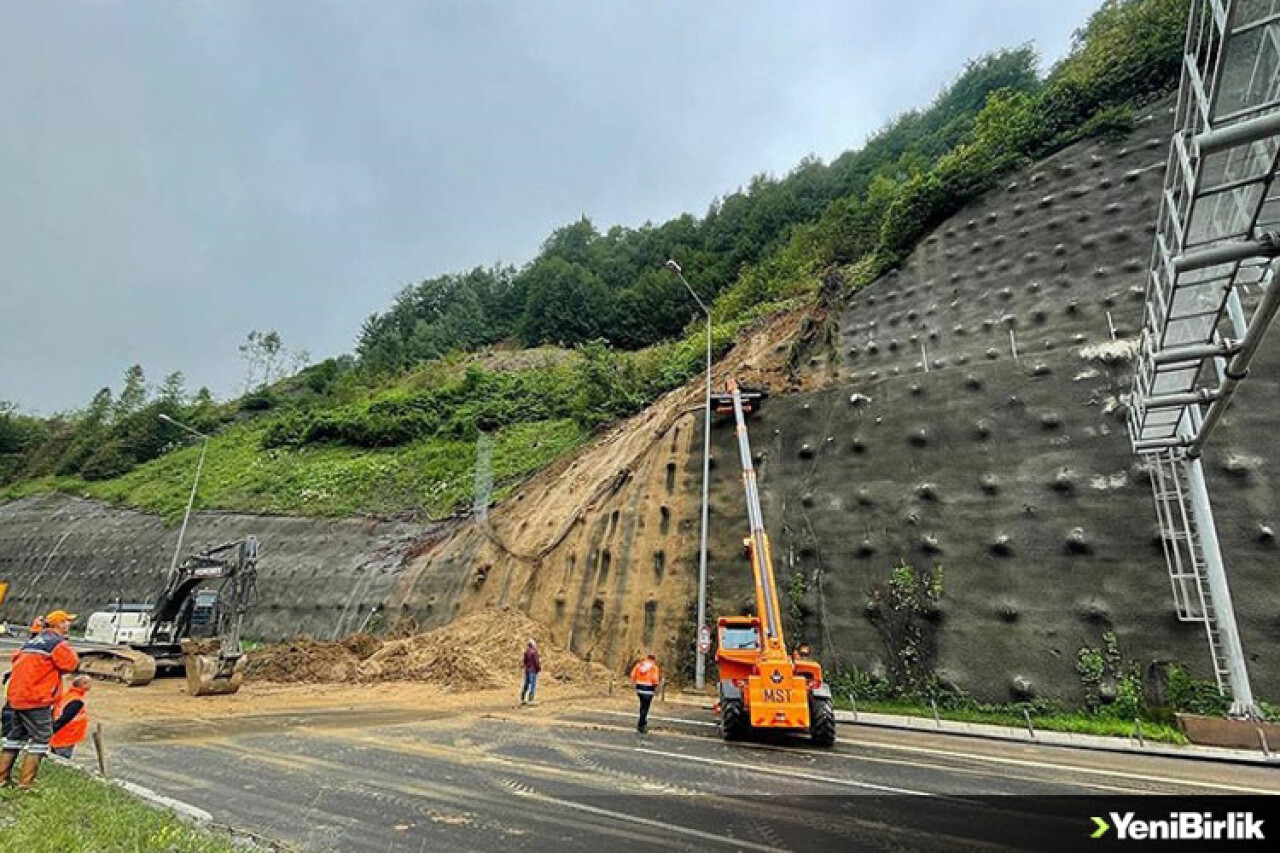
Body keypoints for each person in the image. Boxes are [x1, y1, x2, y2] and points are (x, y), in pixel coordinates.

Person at [1, 610, 79, 789]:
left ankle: (2, 779)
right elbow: (70, 664)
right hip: (37, 699)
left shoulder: (30, 642)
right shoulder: (56, 644)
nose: (69, 624)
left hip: (16, 697)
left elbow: (16, 661)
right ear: (59, 624)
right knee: (41, 740)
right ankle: (25, 785)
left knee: (14, 738)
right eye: (67, 621)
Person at [49, 675, 91, 759]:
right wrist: (53, 730)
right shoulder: (77, 701)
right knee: (62, 759)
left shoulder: (67, 695)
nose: (90, 685)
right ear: (82, 685)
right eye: (88, 683)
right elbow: (65, 719)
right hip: (66, 737)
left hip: (59, 735)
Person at [629, 653, 661, 734]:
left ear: (647, 658)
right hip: (648, 689)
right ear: (653, 659)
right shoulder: (654, 667)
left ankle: (642, 723)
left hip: (639, 688)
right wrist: (656, 689)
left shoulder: (639, 665)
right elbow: (655, 679)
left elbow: (632, 675)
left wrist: (634, 684)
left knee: (642, 705)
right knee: (645, 707)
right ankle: (642, 724)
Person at [520, 639, 541, 705]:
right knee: (532, 685)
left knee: (526, 684)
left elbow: (524, 662)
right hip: (533, 670)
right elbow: (536, 662)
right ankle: (530, 699)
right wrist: (539, 668)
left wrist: (526, 667)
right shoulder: (534, 652)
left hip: (527, 670)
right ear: (533, 645)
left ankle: (522, 698)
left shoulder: (526, 652)